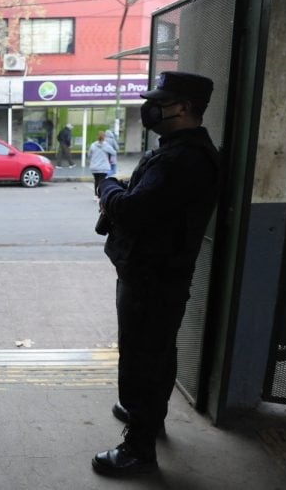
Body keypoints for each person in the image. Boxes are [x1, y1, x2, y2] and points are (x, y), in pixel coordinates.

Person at [92, 71, 220, 477]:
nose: (152, 108)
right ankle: (148, 416)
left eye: (161, 101)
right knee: (159, 351)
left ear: (183, 108)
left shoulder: (182, 158)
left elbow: (133, 209)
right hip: (157, 273)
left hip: (151, 276)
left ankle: (138, 448)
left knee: (141, 359)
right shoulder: (180, 150)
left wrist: (107, 188)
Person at [87, 131, 116, 199]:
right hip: (103, 167)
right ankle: (100, 196)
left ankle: (96, 195)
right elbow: (114, 152)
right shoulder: (106, 145)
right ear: (104, 137)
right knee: (102, 182)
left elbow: (89, 155)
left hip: (94, 167)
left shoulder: (93, 145)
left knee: (96, 181)